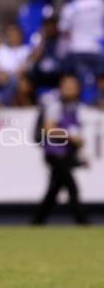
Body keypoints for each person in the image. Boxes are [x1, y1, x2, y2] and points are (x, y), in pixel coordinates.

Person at [32, 74, 88, 225]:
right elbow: (49, 129)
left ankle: (37, 222)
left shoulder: (75, 107)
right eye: (67, 86)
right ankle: (82, 222)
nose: (71, 89)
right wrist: (71, 137)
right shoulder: (55, 105)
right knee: (71, 186)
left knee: (54, 189)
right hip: (54, 154)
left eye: (73, 86)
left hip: (66, 154)